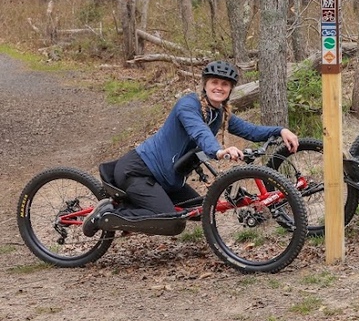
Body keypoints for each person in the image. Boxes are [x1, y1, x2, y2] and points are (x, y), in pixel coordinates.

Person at [83, 61, 300, 236]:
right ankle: (108, 213)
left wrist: (280, 131)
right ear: (205, 85)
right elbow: (199, 132)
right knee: (172, 223)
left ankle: (136, 206)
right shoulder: (189, 105)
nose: (219, 87)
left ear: (230, 89)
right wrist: (219, 151)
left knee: (200, 210)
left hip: (168, 180)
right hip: (139, 171)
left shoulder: (219, 113)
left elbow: (249, 130)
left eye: (225, 85)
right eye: (214, 82)